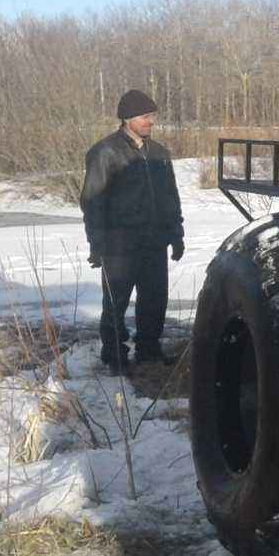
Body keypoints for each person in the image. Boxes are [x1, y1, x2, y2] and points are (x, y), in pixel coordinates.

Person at [80, 89, 185, 373]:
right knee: (116, 303)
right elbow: (93, 202)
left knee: (154, 300)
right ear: (127, 119)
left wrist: (176, 235)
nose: (151, 121)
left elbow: (170, 198)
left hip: (154, 242)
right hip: (119, 245)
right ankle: (114, 355)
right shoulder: (105, 152)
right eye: (145, 116)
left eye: (153, 116)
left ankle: (149, 350)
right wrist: (97, 244)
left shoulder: (159, 153)